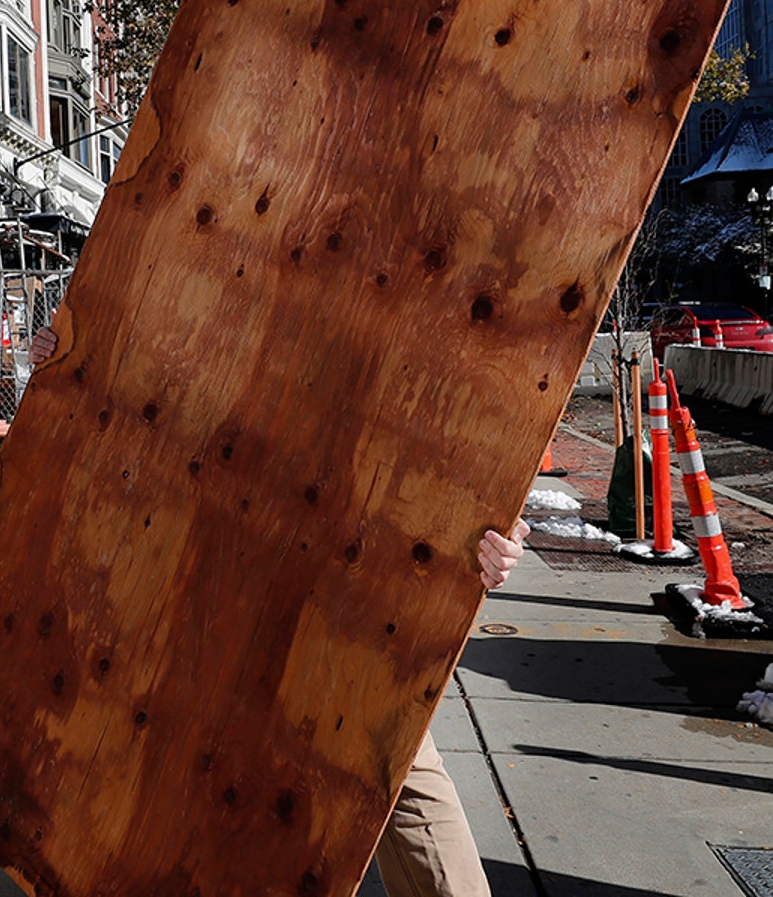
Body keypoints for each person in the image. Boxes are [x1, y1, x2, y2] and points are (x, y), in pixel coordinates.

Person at [28, 324, 526, 897]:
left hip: (359, 576)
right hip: (225, 558)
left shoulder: (430, 317)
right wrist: (71, 353)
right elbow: (155, 357)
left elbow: (494, 424)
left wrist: (500, 536)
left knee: (392, 756)